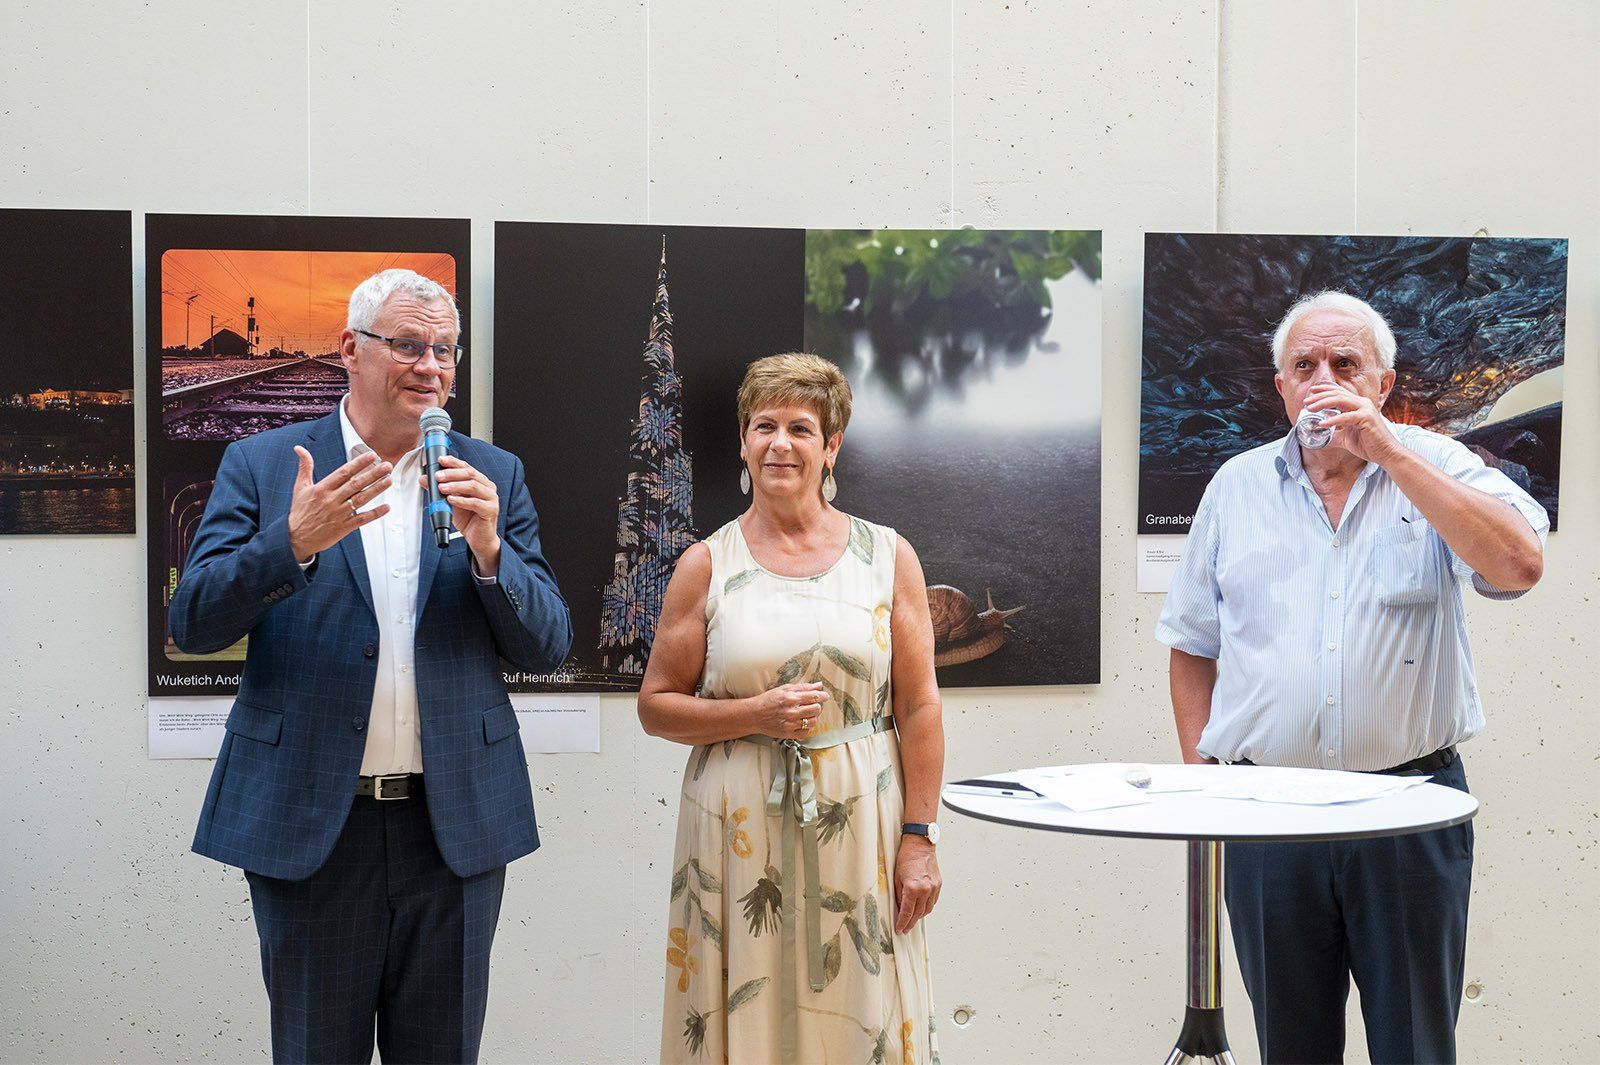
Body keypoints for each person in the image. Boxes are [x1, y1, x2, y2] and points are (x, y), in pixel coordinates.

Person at [171, 269, 572, 1064]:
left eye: (446, 350)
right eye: (410, 345)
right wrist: (291, 543)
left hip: (452, 829)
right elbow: (195, 621)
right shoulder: (263, 464)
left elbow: (548, 644)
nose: (431, 366)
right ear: (350, 348)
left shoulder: (492, 474)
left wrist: (492, 553)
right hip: (315, 827)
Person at [1156, 290, 1547, 1064]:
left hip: (1409, 809)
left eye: (1345, 363)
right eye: (1304, 366)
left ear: (1383, 382)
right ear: (1281, 387)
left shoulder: (1437, 463)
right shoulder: (1235, 486)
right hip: (1268, 818)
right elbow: (1192, 645)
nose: (1323, 380)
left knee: (1415, 1046)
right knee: (1291, 1047)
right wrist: (1206, 786)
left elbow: (1519, 565)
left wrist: (1391, 453)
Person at [638, 353, 944, 1065]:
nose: (780, 443)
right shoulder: (706, 564)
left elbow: (920, 705)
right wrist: (755, 714)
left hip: (862, 821)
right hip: (736, 826)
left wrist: (920, 836)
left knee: (861, 999)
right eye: (764, 426)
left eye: (801, 428)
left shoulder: (887, 556)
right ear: (743, 442)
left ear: (831, 446)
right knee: (748, 992)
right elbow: (656, 707)